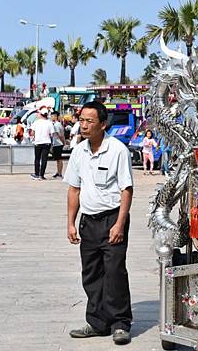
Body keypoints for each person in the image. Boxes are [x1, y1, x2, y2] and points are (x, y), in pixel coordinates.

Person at [64, 101, 134, 345]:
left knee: (114, 272)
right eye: (81, 120)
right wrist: (71, 223)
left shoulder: (117, 150)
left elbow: (126, 190)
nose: (83, 125)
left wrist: (119, 224)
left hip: (112, 219)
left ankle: (120, 323)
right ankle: (97, 322)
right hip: (89, 221)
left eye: (89, 121)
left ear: (103, 125)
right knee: (91, 274)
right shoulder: (78, 151)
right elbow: (74, 189)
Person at [29, 107, 54, 180]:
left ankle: (36, 174)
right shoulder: (49, 123)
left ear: (41, 114)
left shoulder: (36, 122)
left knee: (37, 158)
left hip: (38, 142)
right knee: (44, 159)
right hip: (47, 143)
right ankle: (42, 175)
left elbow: (32, 132)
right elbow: (52, 134)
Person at [51, 111, 65, 178]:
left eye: (52, 116)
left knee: (59, 159)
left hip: (58, 143)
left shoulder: (56, 125)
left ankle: (60, 173)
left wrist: (63, 142)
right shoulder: (57, 124)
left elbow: (60, 135)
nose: (51, 117)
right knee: (57, 159)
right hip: (57, 143)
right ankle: (58, 172)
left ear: (56, 117)